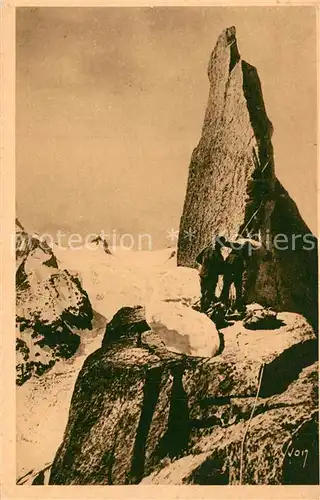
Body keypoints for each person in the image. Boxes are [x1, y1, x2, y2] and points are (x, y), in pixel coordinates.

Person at [220, 238, 271, 312]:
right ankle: (233, 306)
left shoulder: (257, 245)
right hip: (236, 261)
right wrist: (246, 259)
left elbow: (238, 245)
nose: (263, 260)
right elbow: (246, 245)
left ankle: (225, 306)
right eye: (265, 259)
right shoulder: (262, 251)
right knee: (237, 286)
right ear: (266, 255)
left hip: (231, 260)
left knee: (228, 285)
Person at [195, 236, 228, 313]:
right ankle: (206, 311)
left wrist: (205, 266)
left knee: (203, 293)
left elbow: (198, 259)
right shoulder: (218, 255)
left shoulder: (207, 249)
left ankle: (202, 309)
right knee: (209, 294)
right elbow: (221, 269)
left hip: (203, 274)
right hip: (211, 277)